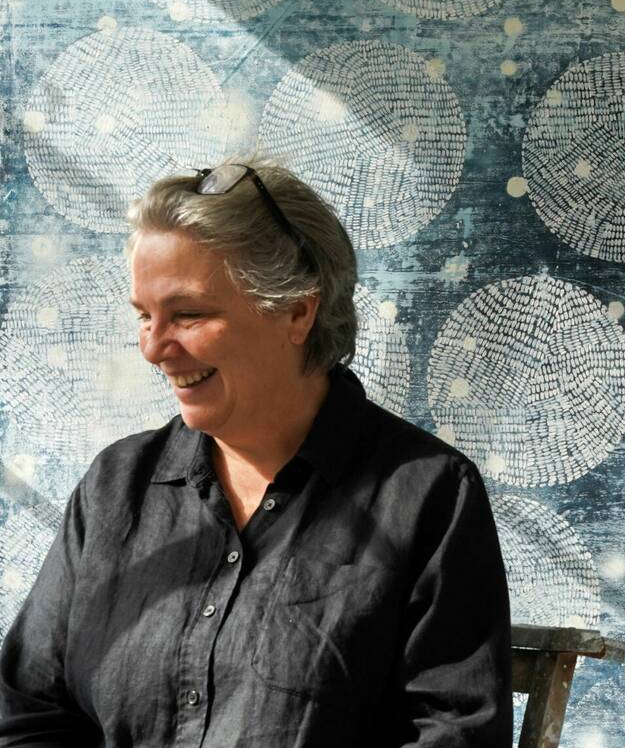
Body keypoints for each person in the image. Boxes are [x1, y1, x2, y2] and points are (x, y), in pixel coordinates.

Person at [0, 161, 512, 746]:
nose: (153, 348)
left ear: (297, 311)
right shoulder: (116, 485)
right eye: (144, 315)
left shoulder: (428, 495)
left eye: (188, 314)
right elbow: (27, 711)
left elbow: (455, 733)